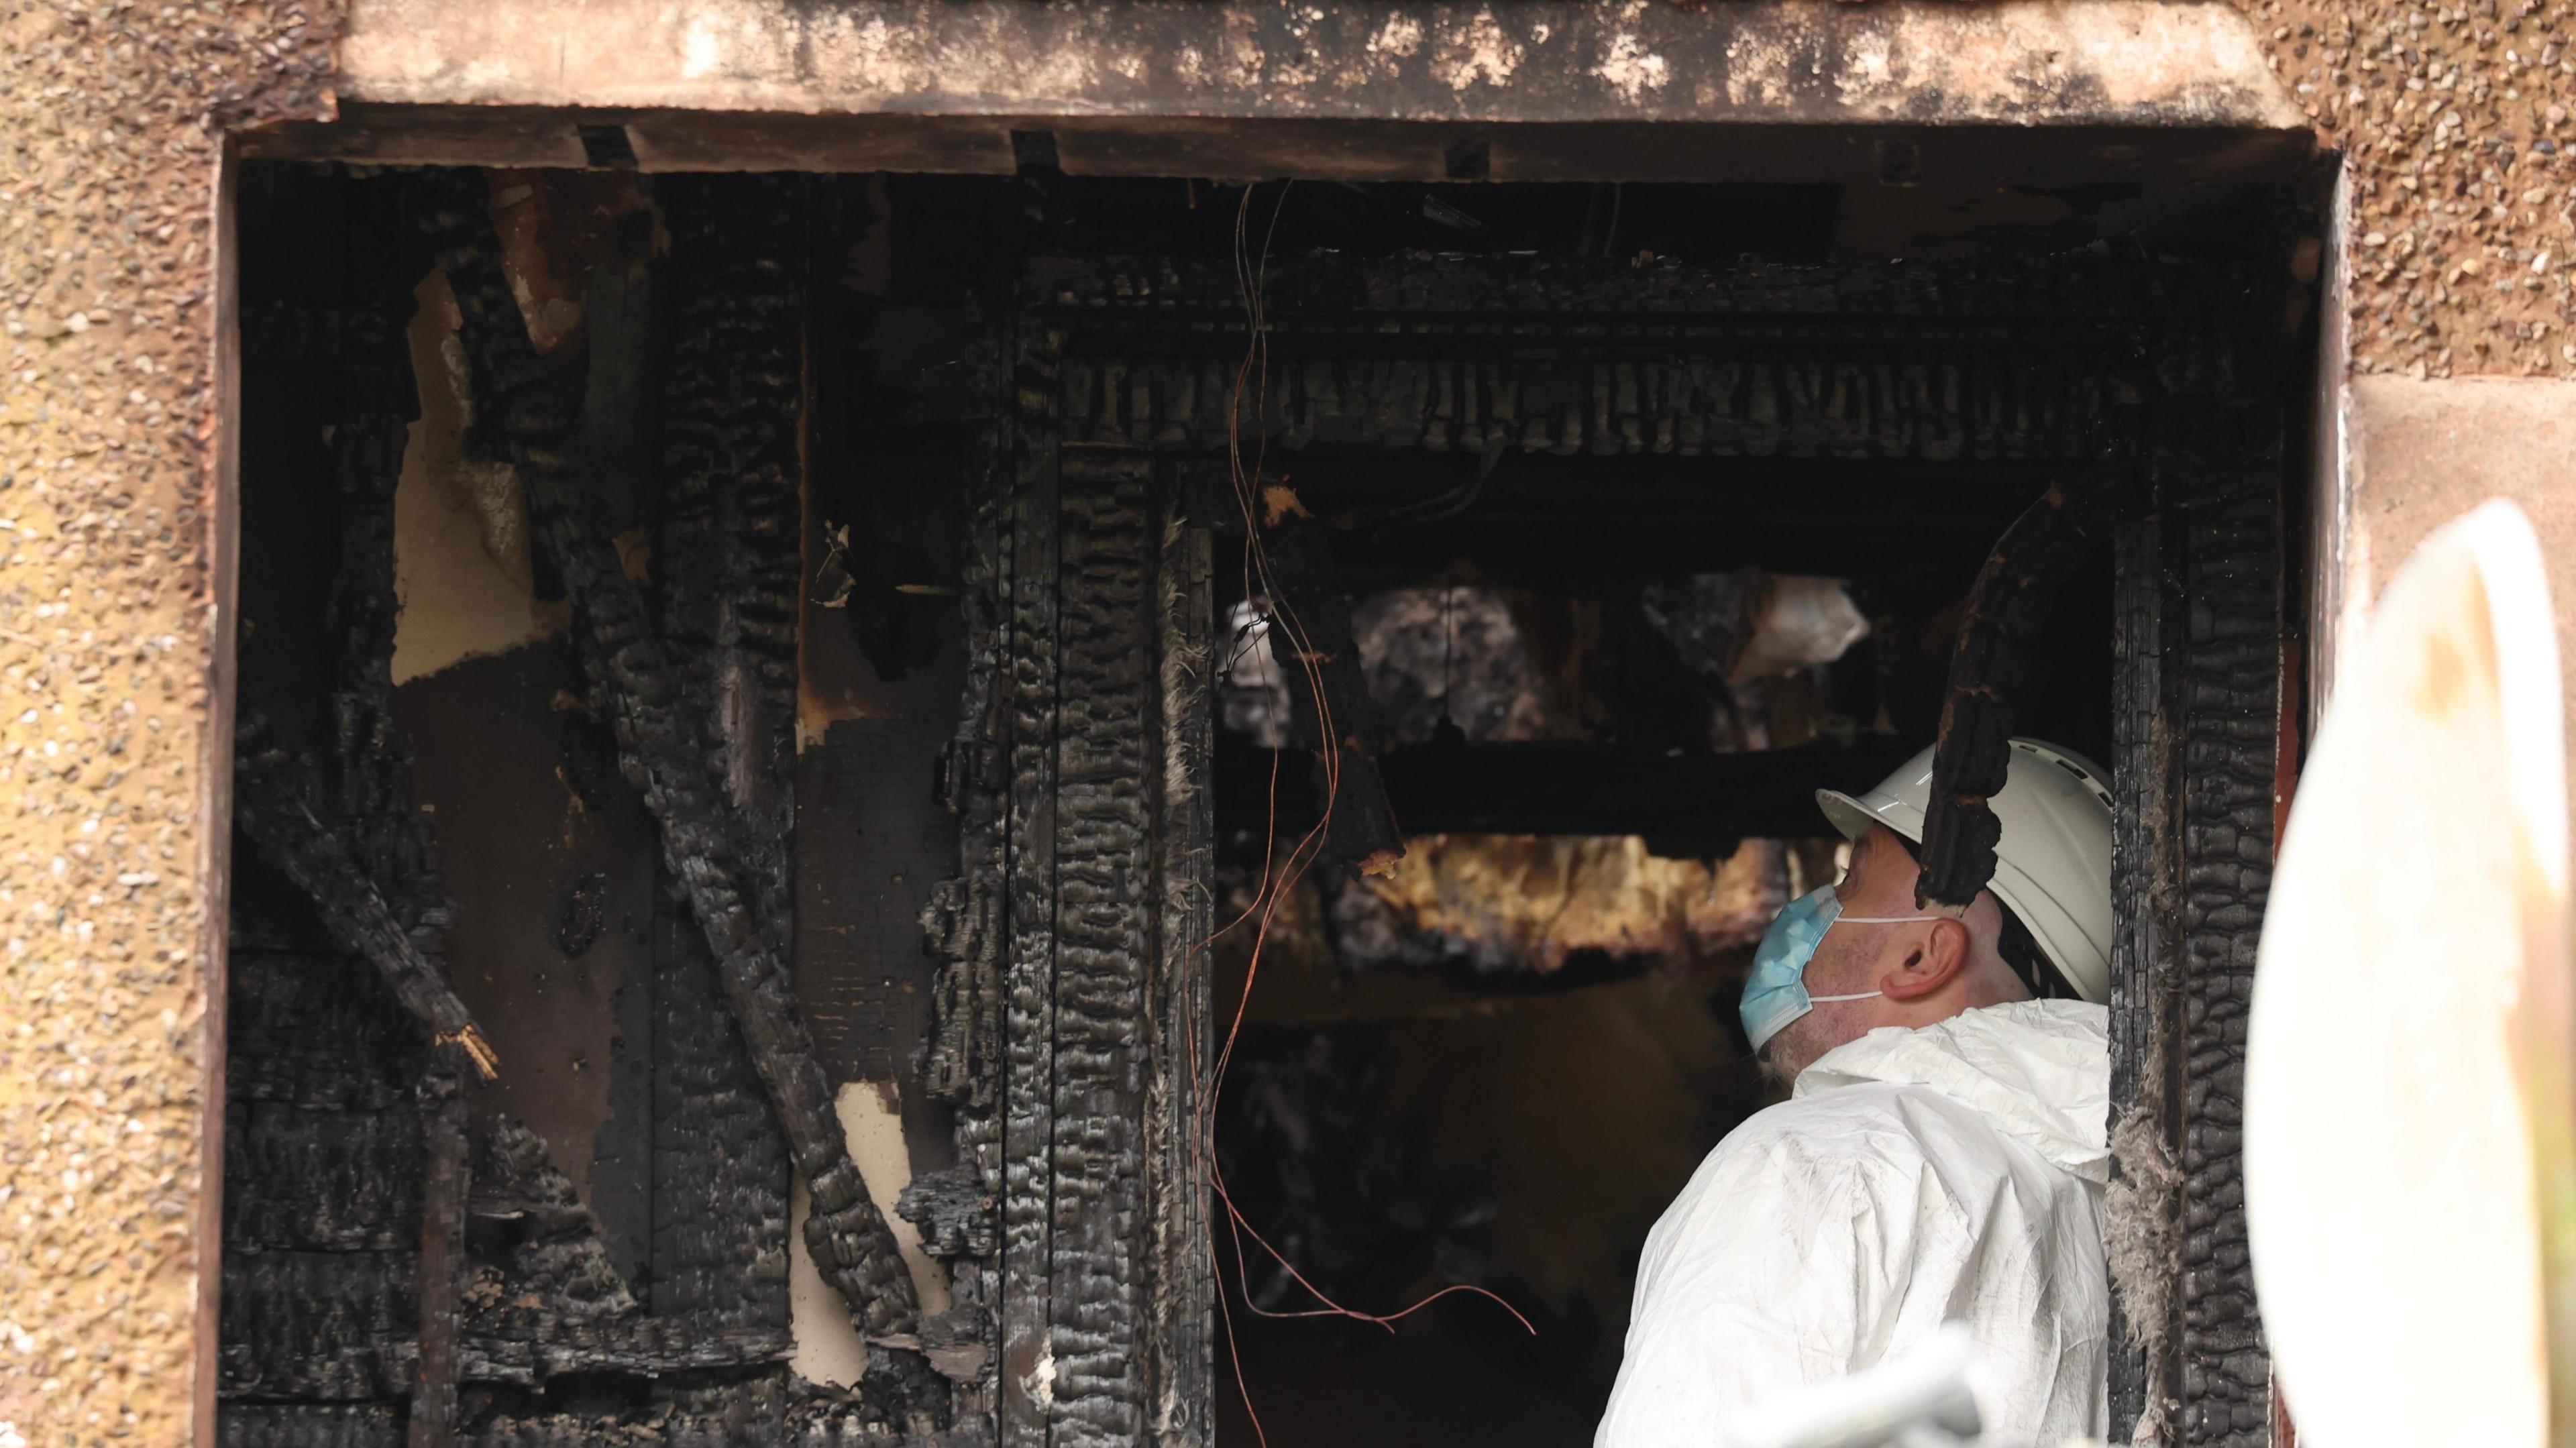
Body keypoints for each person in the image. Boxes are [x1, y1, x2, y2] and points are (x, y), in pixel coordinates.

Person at [1595, 738, 2117, 1448]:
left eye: (1849, 883)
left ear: (1920, 957)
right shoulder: (2103, 1212)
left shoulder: (1811, 1164)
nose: (1812, 912)